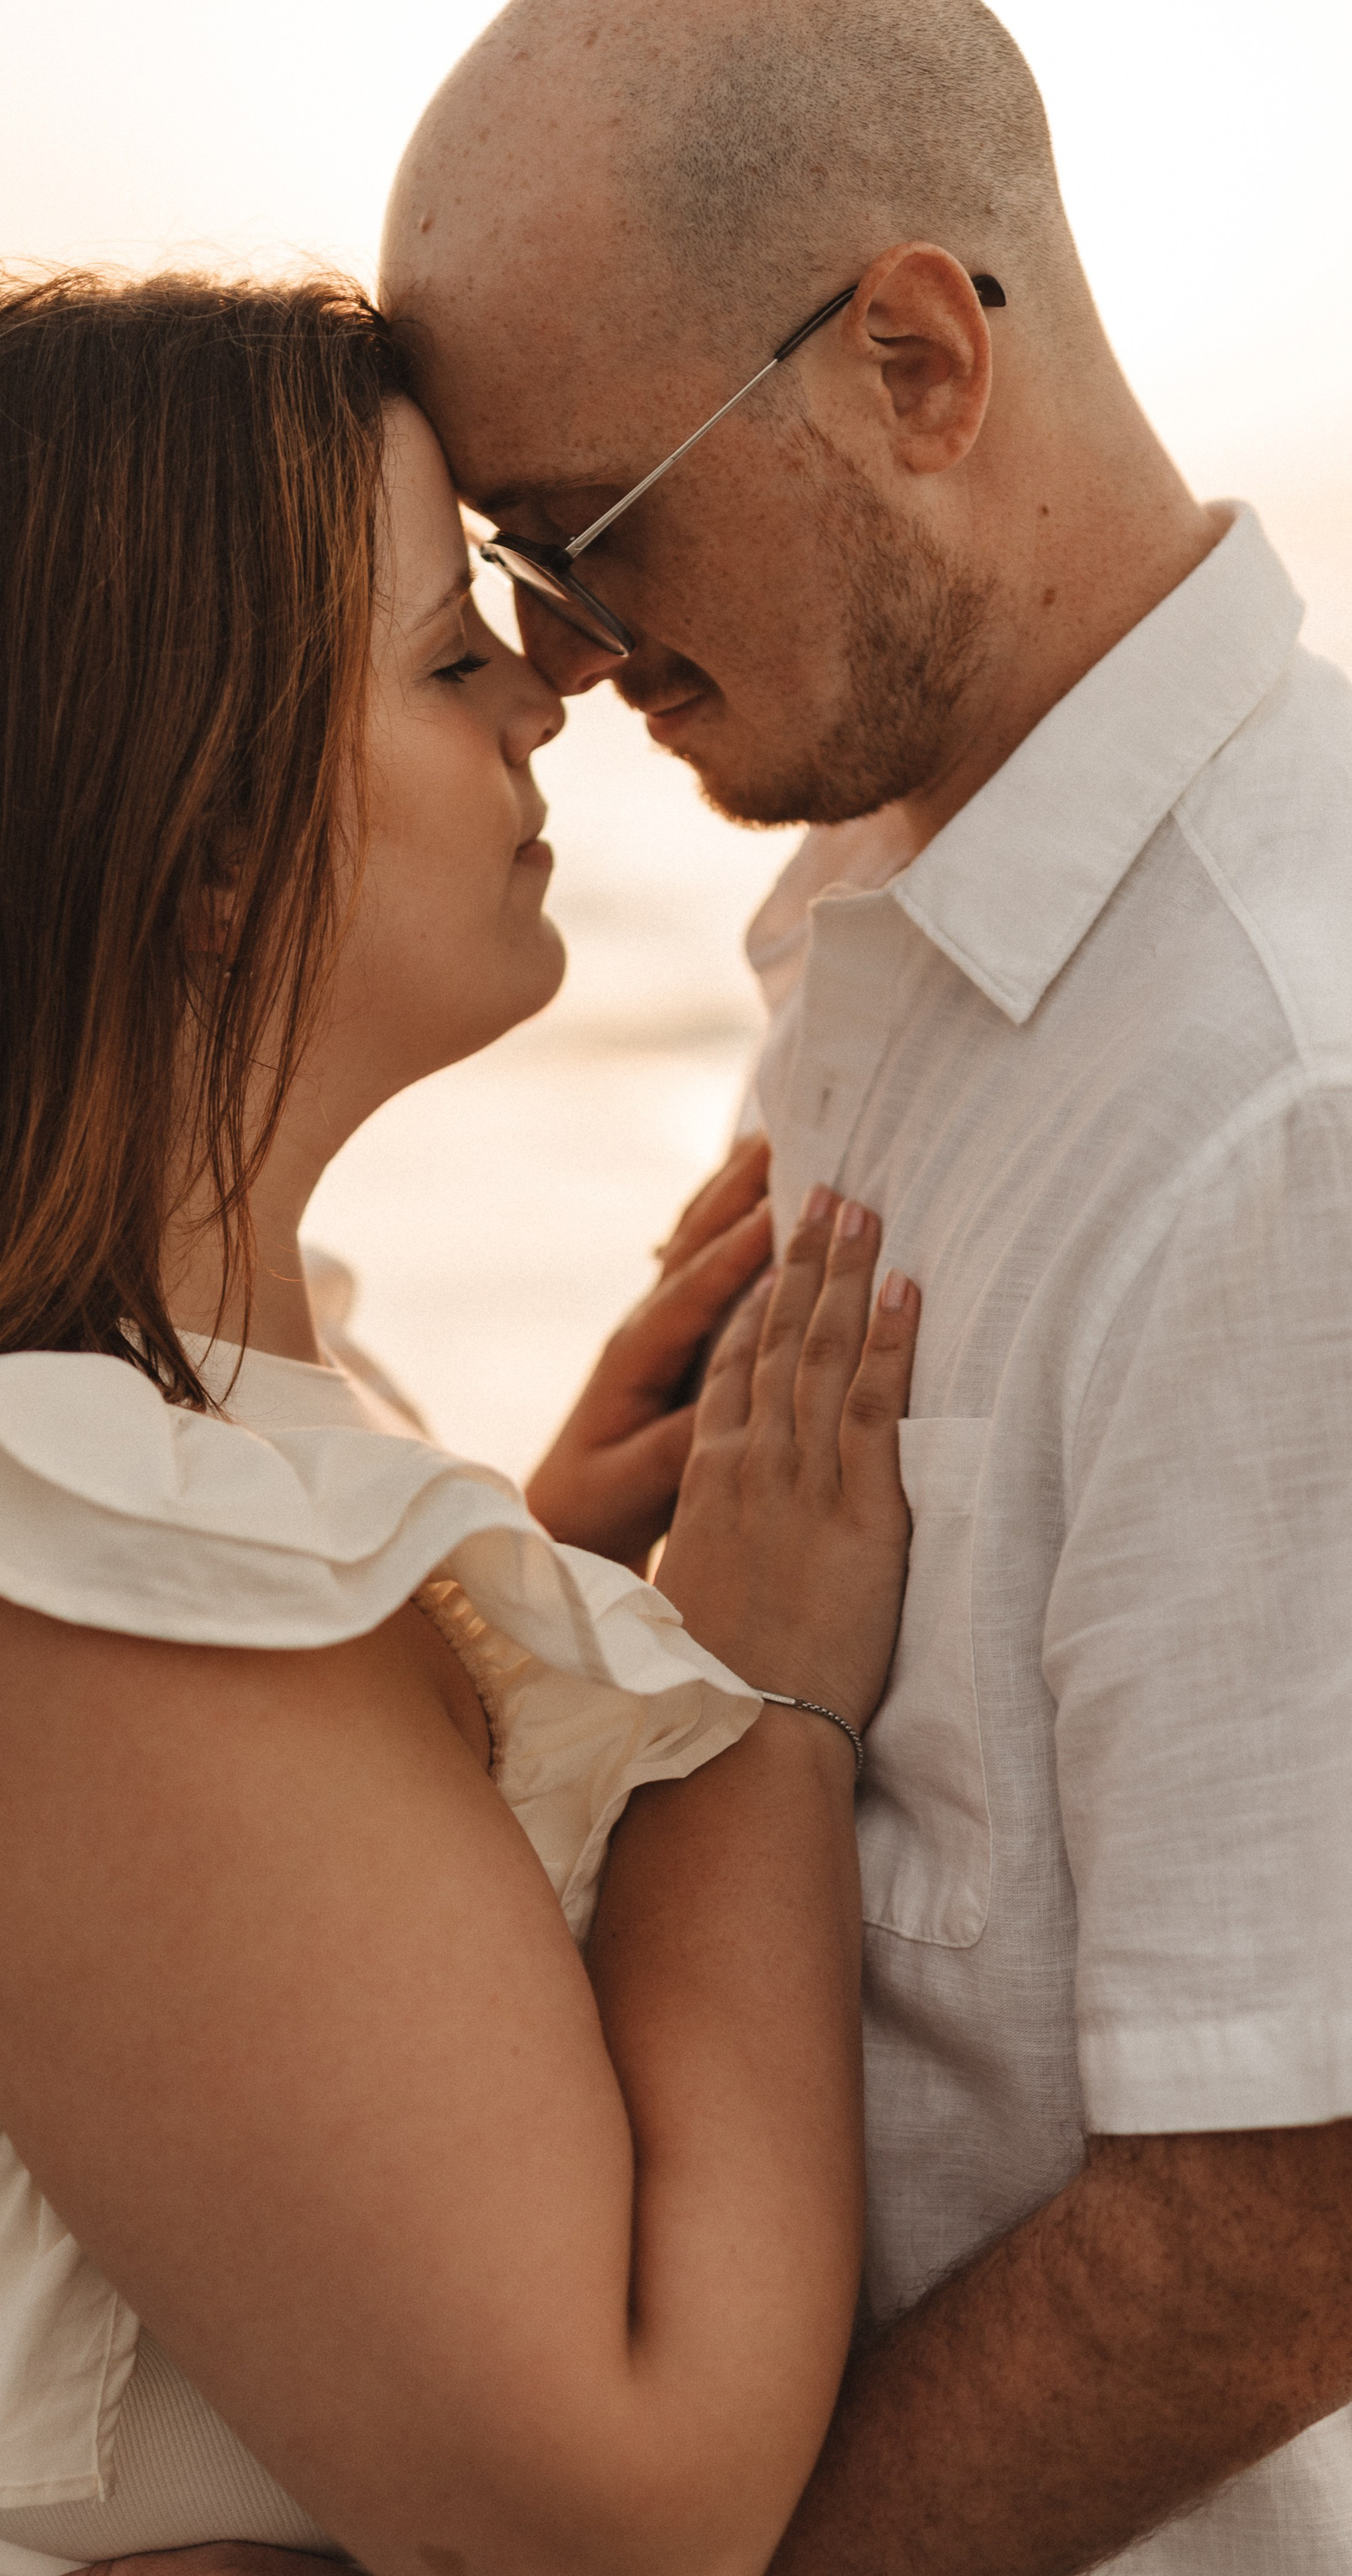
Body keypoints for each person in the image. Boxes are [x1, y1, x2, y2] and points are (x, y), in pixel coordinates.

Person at [0, 269, 923, 2576]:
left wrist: (528, 1589)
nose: (563, 687)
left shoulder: (131, 1500)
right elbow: (623, 2510)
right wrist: (761, 1708)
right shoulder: (69, 1603)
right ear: (205, 849)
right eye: (455, 654)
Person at [365, 1, 1352, 2569]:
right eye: (507, 568)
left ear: (914, 360)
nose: (561, 654)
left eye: (598, 525)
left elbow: (1280, 2230)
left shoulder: (1287, 1093)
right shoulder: (880, 927)